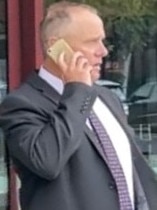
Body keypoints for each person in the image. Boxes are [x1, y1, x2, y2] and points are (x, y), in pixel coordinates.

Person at [0, 1, 157, 210]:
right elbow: (46, 162)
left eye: (102, 41)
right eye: (92, 42)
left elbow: (133, 170)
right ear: (55, 46)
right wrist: (76, 89)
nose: (103, 51)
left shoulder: (106, 98)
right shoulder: (21, 104)